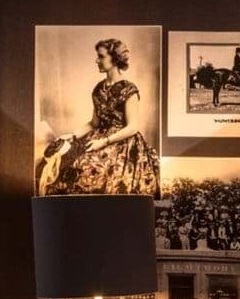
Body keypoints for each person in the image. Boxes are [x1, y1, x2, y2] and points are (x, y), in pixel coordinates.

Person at [36, 38, 159, 196]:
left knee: (99, 176)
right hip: (97, 139)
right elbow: (94, 123)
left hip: (123, 143)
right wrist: (73, 136)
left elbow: (133, 127)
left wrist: (104, 142)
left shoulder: (129, 89)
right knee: (72, 169)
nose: (97, 60)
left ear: (115, 59)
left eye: (101, 57)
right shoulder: (98, 89)